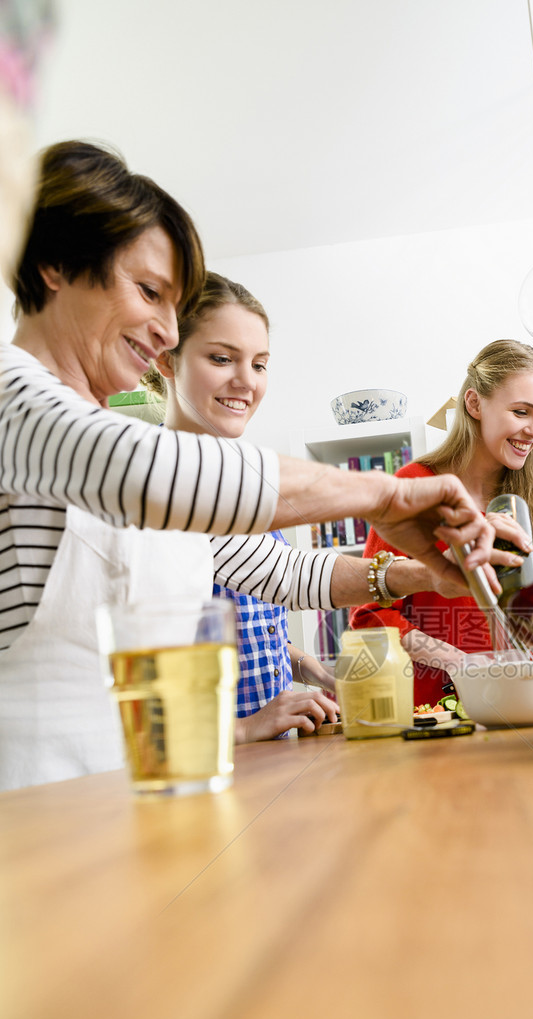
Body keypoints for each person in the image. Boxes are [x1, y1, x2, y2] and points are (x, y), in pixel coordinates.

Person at [0, 140, 494, 790]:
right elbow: (142, 470)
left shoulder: (121, 447)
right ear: (53, 263)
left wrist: (418, 572)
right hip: (30, 819)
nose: (168, 333)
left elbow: (284, 569)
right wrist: (385, 496)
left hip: (140, 806)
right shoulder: (17, 396)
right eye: (149, 291)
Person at [147, 271, 341, 742]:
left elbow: (248, 622)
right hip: (206, 767)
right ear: (165, 359)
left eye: (260, 364)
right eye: (221, 358)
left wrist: (305, 666)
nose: (246, 382)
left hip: (274, 759)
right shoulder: (153, 489)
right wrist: (245, 727)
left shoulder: (245, 482)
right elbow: (147, 675)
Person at [350, 339, 533, 707]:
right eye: (521, 412)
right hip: (435, 716)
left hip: (529, 704)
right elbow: (369, 614)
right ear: (474, 403)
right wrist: (459, 663)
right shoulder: (413, 487)